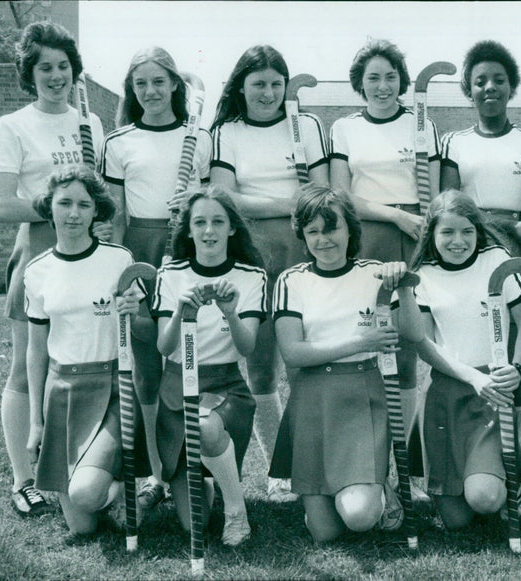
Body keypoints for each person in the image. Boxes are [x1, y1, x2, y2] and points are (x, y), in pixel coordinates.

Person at [0, 20, 106, 517]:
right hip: (39, 248)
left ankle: (85, 462)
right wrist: (57, 208)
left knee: (83, 356)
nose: (55, 76)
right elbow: (1, 205)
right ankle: (23, 478)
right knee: (27, 363)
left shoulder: (91, 123)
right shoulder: (12, 125)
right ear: (29, 73)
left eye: (63, 67)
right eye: (44, 68)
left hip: (90, 251)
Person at [210, 45, 329, 502]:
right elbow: (225, 195)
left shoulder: (309, 125)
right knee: (261, 369)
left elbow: (321, 191)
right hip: (254, 254)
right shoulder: (226, 132)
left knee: (306, 363)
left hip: (306, 252)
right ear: (241, 85)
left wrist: (303, 205)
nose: (268, 93)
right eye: (258, 83)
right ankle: (280, 466)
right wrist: (287, 204)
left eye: (277, 83)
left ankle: (310, 463)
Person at [101, 46, 212, 512]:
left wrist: (198, 193)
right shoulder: (118, 141)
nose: (150, 91)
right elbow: (116, 216)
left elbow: (214, 202)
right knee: (146, 363)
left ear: (174, 86)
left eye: (158, 82)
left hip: (187, 248)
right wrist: (121, 270)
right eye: (140, 83)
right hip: (143, 249)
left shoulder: (199, 138)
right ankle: (153, 475)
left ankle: (194, 462)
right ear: (132, 90)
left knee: (191, 353)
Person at [269, 185, 409, 542]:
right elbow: (293, 353)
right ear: (302, 236)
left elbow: (411, 332)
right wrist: (360, 342)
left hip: (362, 395)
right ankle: (336, 491)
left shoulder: (376, 273)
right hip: (313, 399)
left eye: (331, 229)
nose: (323, 240)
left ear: (350, 229)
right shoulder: (292, 280)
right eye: (313, 231)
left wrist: (403, 285)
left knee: (360, 517)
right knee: (325, 535)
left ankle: (376, 490)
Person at [329, 38, 439, 477]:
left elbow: (428, 190)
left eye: (391, 77)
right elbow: (341, 194)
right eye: (373, 77)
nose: (383, 86)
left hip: (415, 237)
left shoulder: (421, 124)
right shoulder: (344, 128)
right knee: (369, 344)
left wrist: (414, 221)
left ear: (402, 81)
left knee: (410, 346)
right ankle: (366, 455)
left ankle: (406, 461)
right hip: (369, 235)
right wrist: (395, 216)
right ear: (360, 83)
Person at [439, 39, 521, 452]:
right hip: (469, 249)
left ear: (512, 87)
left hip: (519, 253)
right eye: (479, 81)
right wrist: (503, 225)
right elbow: (450, 208)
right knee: (475, 341)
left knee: (513, 347)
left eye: (499, 80)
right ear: (468, 91)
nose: (489, 87)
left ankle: (512, 448)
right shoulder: (454, 143)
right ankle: (476, 437)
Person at [395, 190, 521, 529]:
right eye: (447, 232)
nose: (458, 241)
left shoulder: (497, 259)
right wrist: (472, 377)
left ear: (477, 231)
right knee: (456, 523)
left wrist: (516, 368)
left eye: (467, 232)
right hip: (446, 390)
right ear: (432, 233)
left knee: (484, 498)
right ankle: (483, 479)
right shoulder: (422, 275)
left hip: (493, 391)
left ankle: (509, 482)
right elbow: (424, 343)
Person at [24, 166, 143, 536]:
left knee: (87, 493)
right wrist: (35, 421)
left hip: (112, 389)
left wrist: (135, 313)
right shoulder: (37, 271)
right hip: (62, 392)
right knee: (82, 527)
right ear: (50, 208)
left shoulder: (118, 259)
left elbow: (145, 328)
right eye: (64, 203)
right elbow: (36, 351)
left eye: (83, 204)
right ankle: (111, 491)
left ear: (96, 211)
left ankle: (126, 490)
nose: (73, 213)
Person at [152, 186, 266, 546]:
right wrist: (179, 314)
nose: (209, 231)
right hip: (176, 387)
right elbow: (163, 346)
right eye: (199, 222)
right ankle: (204, 481)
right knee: (193, 526)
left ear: (233, 228)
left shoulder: (251, 276)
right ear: (188, 230)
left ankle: (236, 510)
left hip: (224, 385)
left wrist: (230, 312)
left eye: (218, 221)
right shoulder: (170, 274)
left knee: (206, 426)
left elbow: (246, 347)